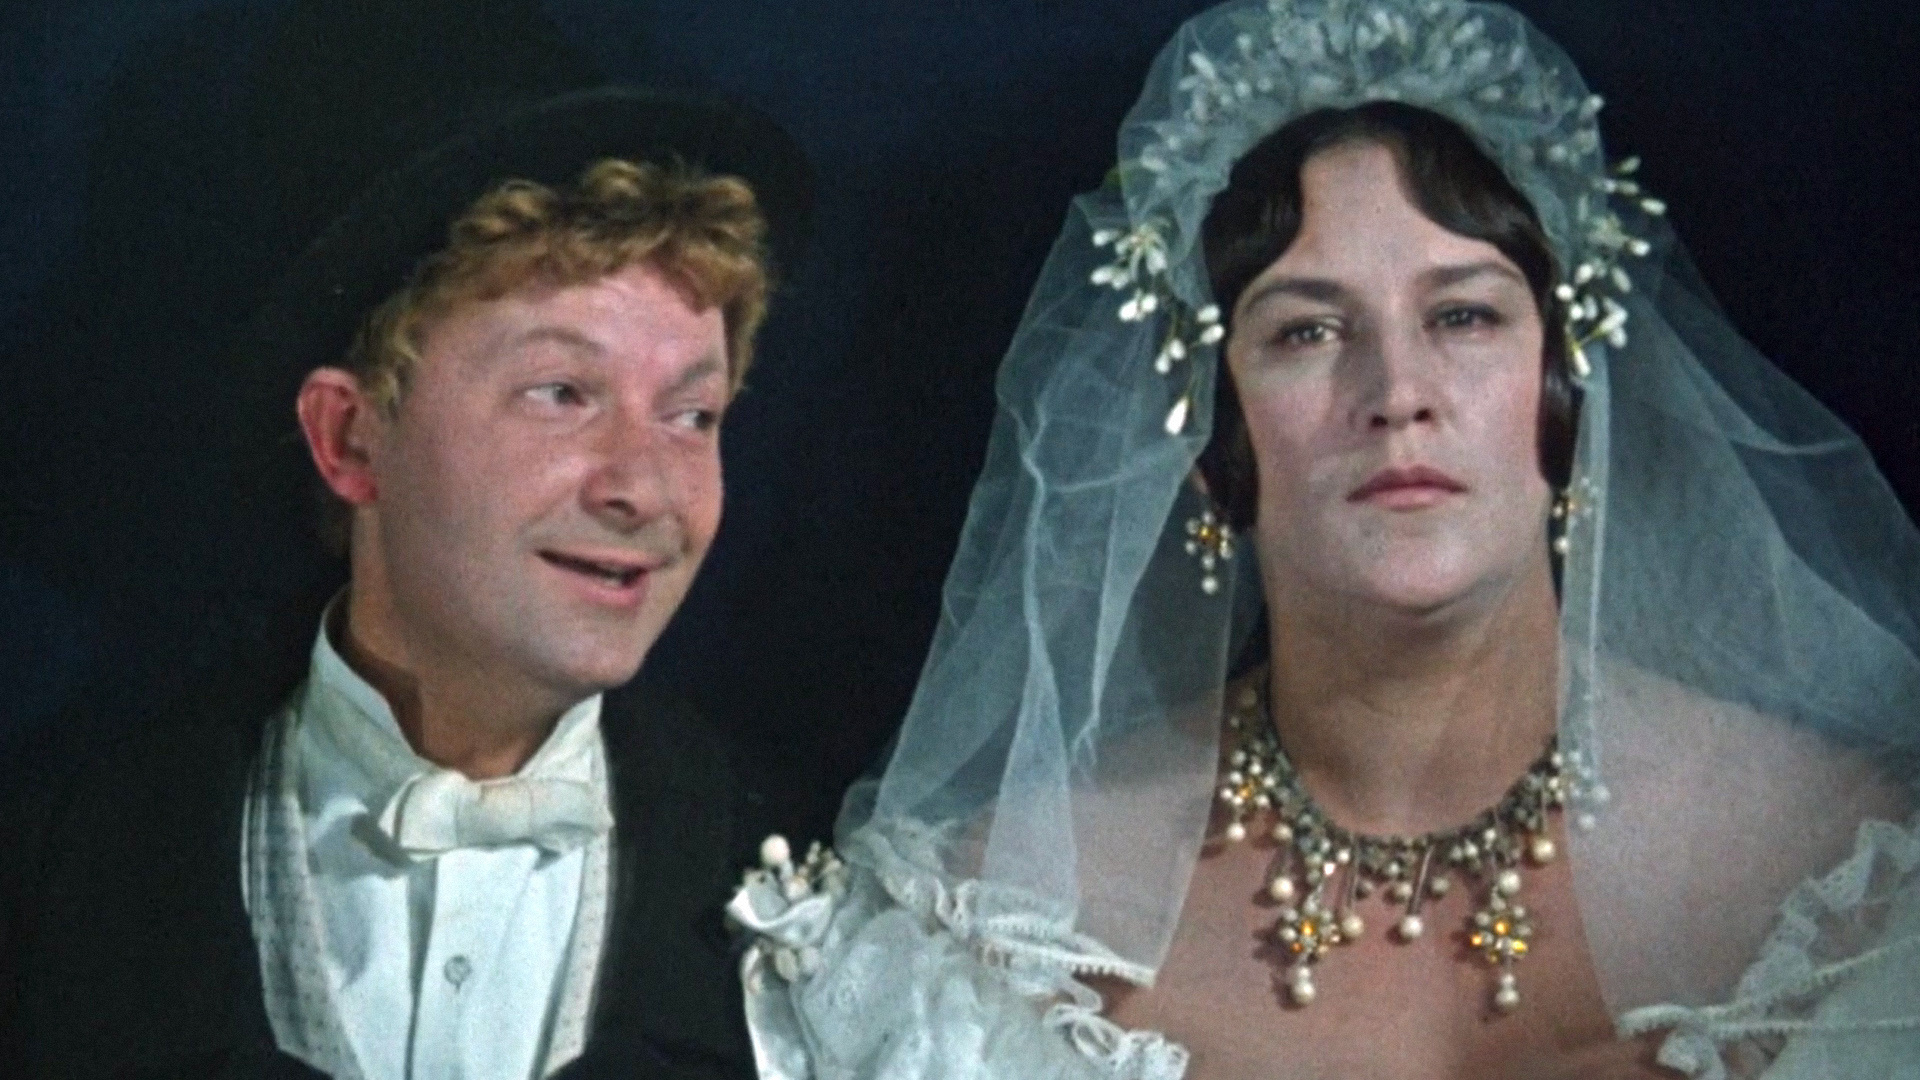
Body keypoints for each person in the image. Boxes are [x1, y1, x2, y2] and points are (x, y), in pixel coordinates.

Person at [728, 0, 1920, 1077]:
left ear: (1567, 392)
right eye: (1306, 332)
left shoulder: (1840, 872)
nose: (1398, 392)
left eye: (1464, 316)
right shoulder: (1005, 912)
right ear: (1207, 438)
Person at [0, 2, 811, 1078]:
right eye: (562, 393)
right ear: (350, 438)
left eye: (692, 414)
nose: (644, 489)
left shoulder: (809, 882)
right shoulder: (62, 863)